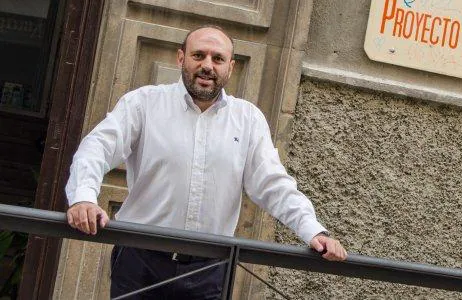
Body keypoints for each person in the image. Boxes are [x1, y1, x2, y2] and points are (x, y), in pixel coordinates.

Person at [65, 25, 347, 299]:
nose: (207, 65)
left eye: (218, 58)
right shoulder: (143, 103)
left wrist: (313, 230)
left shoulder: (248, 119)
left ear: (230, 67)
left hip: (210, 268)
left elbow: (273, 185)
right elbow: (97, 148)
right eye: (198, 55)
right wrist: (83, 198)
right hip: (140, 261)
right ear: (181, 58)